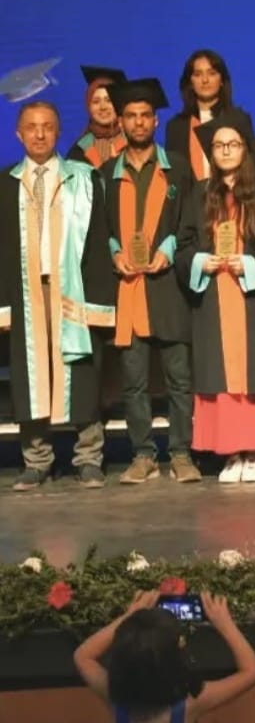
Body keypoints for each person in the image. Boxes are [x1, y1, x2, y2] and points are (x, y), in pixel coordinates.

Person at [0, 101, 115, 491]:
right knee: (30, 378)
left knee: (82, 373)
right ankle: (36, 461)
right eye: (31, 127)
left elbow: (97, 243)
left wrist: (97, 303)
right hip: (27, 294)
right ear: (18, 134)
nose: (39, 134)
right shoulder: (5, 184)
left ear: (58, 131)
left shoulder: (83, 179)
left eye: (47, 126)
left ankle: (88, 458)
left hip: (71, 291)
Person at [175, 111, 255, 483]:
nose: (225, 151)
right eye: (218, 145)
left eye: (233, 144)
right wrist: (200, 261)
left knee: (251, 373)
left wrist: (250, 265)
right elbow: (183, 245)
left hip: (251, 297)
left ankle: (253, 452)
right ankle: (230, 453)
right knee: (220, 376)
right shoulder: (198, 194)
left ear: (245, 149)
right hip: (214, 297)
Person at [102, 78, 201, 485]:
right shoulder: (108, 173)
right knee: (134, 382)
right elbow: (103, 228)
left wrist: (171, 247)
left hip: (169, 285)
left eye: (145, 115)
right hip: (129, 288)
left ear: (156, 121)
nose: (139, 122)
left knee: (179, 379)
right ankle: (143, 455)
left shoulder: (177, 167)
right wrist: (115, 252)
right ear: (121, 122)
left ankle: (181, 453)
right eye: (131, 116)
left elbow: (191, 221)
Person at [74, 589, 255, 722]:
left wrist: (129, 617)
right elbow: (252, 671)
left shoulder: (113, 694)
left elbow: (83, 656)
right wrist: (224, 623)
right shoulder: (192, 702)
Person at [164, 50, 254, 181]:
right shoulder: (176, 126)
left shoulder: (239, 120)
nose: (205, 80)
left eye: (212, 73)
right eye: (198, 74)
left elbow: (252, 168)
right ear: (190, 82)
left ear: (222, 80)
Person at [67, 66, 128, 167]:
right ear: (88, 106)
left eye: (109, 100)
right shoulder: (80, 149)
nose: (103, 107)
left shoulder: (135, 143)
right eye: (96, 101)